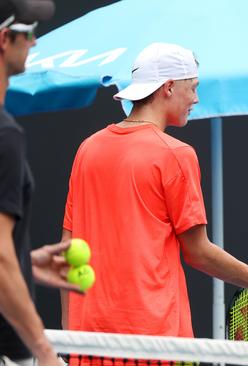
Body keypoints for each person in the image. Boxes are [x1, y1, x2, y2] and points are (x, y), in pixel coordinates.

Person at [60, 42, 248, 336]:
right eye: (193, 87)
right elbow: (199, 253)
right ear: (168, 87)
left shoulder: (88, 149)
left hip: (89, 338)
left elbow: (68, 249)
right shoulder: (176, 154)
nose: (195, 98)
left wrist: (69, 334)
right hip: (155, 341)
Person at [0, 0, 85, 364]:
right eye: (30, 32)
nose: (35, 42)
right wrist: (44, 354)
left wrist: (25, 263)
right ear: (5, 38)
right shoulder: (5, 136)